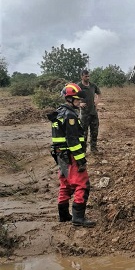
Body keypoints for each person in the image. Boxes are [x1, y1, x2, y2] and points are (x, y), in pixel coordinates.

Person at [47, 83, 96, 227]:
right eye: (77, 99)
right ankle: (78, 218)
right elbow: (73, 140)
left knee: (65, 184)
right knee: (82, 184)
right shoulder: (70, 116)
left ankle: (63, 215)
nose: (79, 101)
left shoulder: (59, 113)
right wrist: (81, 161)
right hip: (71, 155)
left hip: (60, 156)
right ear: (70, 99)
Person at [77, 69, 101, 153]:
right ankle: (83, 150)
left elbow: (99, 94)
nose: (88, 77)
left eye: (88, 76)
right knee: (84, 133)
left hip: (93, 113)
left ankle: (93, 148)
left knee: (94, 131)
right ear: (81, 76)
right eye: (86, 76)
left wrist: (97, 102)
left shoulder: (93, 85)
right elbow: (72, 98)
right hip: (84, 114)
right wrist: (79, 104)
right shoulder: (78, 86)